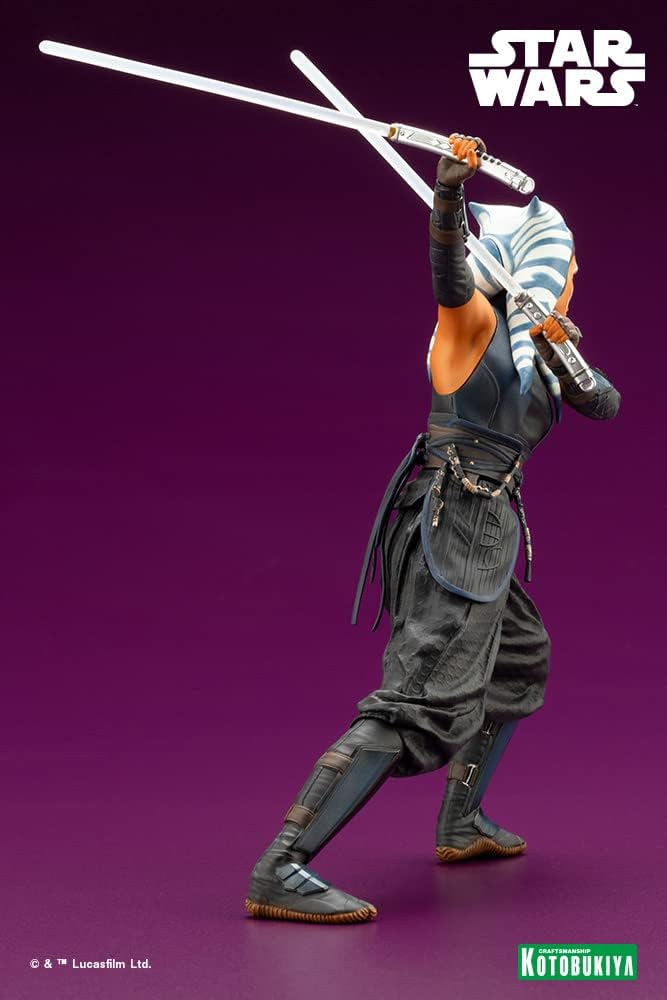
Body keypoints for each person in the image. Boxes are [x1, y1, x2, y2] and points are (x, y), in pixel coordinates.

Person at [245, 135, 620, 924]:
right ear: (535, 264)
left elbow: (605, 405)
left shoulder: (539, 353)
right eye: (567, 267)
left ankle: (460, 823)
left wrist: (562, 351)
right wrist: (447, 199)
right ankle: (281, 867)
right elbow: (448, 274)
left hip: (491, 527)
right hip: (454, 522)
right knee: (418, 699)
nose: (573, 279)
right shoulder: (474, 324)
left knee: (517, 659)